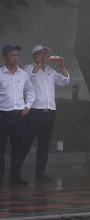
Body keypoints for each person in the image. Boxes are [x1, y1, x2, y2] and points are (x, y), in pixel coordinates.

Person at [22, 45, 70, 183]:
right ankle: (16, 170)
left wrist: (62, 66)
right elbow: (30, 75)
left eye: (46, 54)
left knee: (44, 142)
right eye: (40, 54)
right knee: (26, 141)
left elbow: (65, 80)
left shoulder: (50, 71)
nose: (44, 56)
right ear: (34, 55)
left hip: (49, 111)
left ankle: (40, 170)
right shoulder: (28, 68)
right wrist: (40, 63)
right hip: (34, 110)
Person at [0, 44, 35, 185]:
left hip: (19, 116)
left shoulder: (23, 74)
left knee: (19, 147)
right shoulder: (1, 74)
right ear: (5, 58)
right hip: (3, 116)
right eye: (12, 55)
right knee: (1, 148)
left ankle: (15, 174)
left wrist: (27, 106)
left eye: (17, 55)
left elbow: (30, 91)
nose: (16, 58)